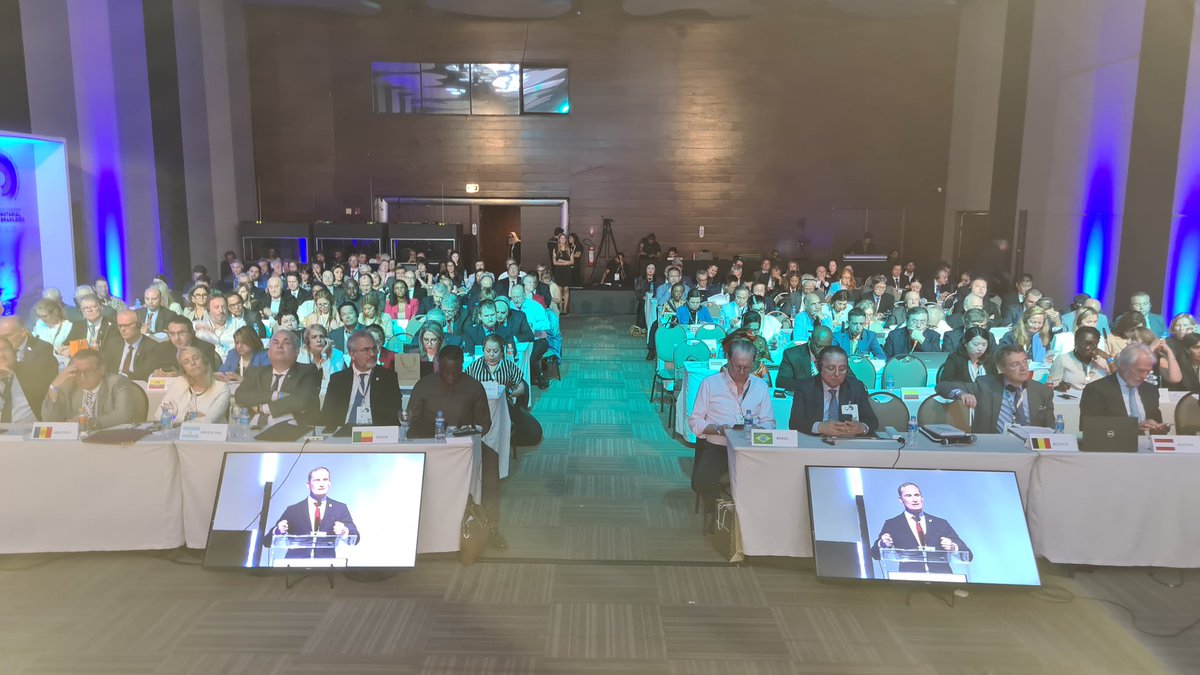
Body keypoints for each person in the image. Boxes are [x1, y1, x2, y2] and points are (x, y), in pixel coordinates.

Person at [407, 346, 502, 546]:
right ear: (438, 366)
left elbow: (485, 423)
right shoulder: (424, 386)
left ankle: (491, 524)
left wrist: (468, 432)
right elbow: (411, 419)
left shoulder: (474, 387)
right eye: (446, 373)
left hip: (464, 443)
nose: (450, 378)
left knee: (491, 459)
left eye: (455, 373)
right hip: (430, 443)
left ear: (462, 367)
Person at [687, 340, 775, 522]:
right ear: (728, 360)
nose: (742, 372)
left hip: (750, 449)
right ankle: (717, 517)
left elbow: (770, 424)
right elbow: (695, 422)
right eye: (737, 367)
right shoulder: (710, 384)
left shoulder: (760, 387)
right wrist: (717, 429)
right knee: (704, 479)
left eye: (747, 367)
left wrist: (757, 430)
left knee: (771, 479)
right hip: (718, 447)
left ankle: (754, 520)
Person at [936, 344, 1056, 433]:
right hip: (994, 448)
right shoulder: (985, 385)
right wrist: (961, 393)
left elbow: (1051, 429)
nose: (1024, 368)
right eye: (1015, 364)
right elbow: (942, 386)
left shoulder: (1042, 391)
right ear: (1001, 368)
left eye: (1025, 362)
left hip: (1032, 449)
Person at [870, 482, 971, 574]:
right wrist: (882, 544)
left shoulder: (940, 523)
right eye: (908, 496)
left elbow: (968, 555)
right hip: (910, 582)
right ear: (900, 500)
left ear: (922, 498)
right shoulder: (893, 524)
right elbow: (875, 554)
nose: (914, 499)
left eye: (917, 495)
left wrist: (953, 547)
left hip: (942, 579)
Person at [234, 330, 321, 426]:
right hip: (254, 430)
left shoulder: (308, 371)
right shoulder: (256, 372)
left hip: (294, 433)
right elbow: (240, 395)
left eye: (286, 343)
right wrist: (276, 395)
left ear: (297, 351)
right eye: (275, 343)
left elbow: (302, 400)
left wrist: (262, 408)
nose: (280, 346)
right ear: (269, 352)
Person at [42, 349, 147, 428]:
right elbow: (49, 420)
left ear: (102, 370)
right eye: (77, 372)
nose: (82, 377)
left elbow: (123, 415)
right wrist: (54, 386)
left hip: (113, 443)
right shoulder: (67, 387)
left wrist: (90, 423)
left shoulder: (117, 383)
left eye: (88, 371)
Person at [269, 466, 360, 558]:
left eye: (325, 480)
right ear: (308, 485)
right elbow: (266, 541)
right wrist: (278, 531)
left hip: (326, 568)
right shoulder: (294, 510)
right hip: (295, 567)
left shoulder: (339, 508)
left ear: (329, 483)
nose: (322, 484)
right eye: (317, 480)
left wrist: (344, 531)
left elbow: (356, 537)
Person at [789, 345, 879, 436]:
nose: (837, 374)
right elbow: (795, 423)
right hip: (816, 442)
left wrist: (862, 427)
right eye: (831, 368)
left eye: (842, 369)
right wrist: (819, 427)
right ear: (819, 367)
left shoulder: (855, 387)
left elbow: (872, 421)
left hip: (848, 442)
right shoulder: (805, 388)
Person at [1079, 343, 1170, 433]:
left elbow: (1157, 422)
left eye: (1148, 371)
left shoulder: (1150, 390)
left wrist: (1159, 427)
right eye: (1140, 370)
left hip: (1147, 444)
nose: (1144, 376)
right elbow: (1090, 426)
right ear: (1123, 365)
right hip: (1112, 444)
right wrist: (1133, 427)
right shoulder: (1097, 390)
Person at [321, 330, 403, 428]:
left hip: (376, 435)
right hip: (343, 434)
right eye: (366, 350)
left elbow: (394, 417)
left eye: (374, 348)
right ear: (352, 354)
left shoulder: (388, 378)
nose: (372, 354)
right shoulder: (338, 380)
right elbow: (327, 416)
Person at [159, 345, 232, 422]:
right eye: (186, 362)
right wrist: (187, 416)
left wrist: (174, 416)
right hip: (177, 433)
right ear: (184, 370)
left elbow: (208, 421)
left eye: (196, 358)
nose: (192, 363)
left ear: (205, 361)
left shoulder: (221, 388)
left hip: (209, 433)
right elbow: (160, 414)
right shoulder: (179, 382)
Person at [102, 310, 175, 381]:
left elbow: (145, 374)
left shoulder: (153, 347)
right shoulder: (112, 345)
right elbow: (105, 369)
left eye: (126, 325)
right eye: (120, 326)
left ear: (138, 325)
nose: (123, 329)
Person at [1047, 326, 1113, 391]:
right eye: (1083, 343)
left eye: (1092, 344)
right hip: (1071, 400)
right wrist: (1058, 387)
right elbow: (1050, 386)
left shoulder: (1103, 361)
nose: (1087, 348)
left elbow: (1117, 381)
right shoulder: (1063, 360)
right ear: (1076, 342)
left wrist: (1107, 358)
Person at [777, 325, 834, 391]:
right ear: (810, 340)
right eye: (818, 346)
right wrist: (809, 384)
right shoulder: (792, 355)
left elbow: (848, 379)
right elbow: (781, 381)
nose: (822, 350)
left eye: (826, 347)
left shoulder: (835, 355)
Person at [0, 340, 39, 423]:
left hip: (29, 432)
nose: (1, 355)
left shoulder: (33, 373)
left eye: (5, 349)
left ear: (14, 353)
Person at [551, 234, 574, 313]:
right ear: (559, 240)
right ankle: (560, 308)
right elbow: (554, 262)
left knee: (566, 289)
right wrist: (566, 262)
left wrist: (562, 261)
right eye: (561, 238)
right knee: (560, 289)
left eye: (564, 238)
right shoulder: (555, 249)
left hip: (567, 271)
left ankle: (565, 309)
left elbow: (572, 261)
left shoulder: (569, 249)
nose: (563, 239)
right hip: (558, 271)